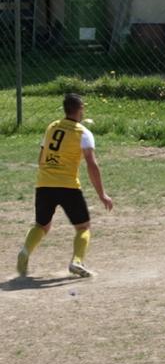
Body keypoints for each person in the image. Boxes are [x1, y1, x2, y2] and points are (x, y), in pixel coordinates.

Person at [16, 93, 113, 278]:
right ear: (80, 109)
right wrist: (102, 194)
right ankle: (77, 261)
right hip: (68, 186)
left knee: (41, 225)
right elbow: (92, 164)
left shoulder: (52, 127)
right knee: (83, 227)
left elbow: (41, 158)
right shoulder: (83, 133)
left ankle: (25, 251)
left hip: (44, 184)